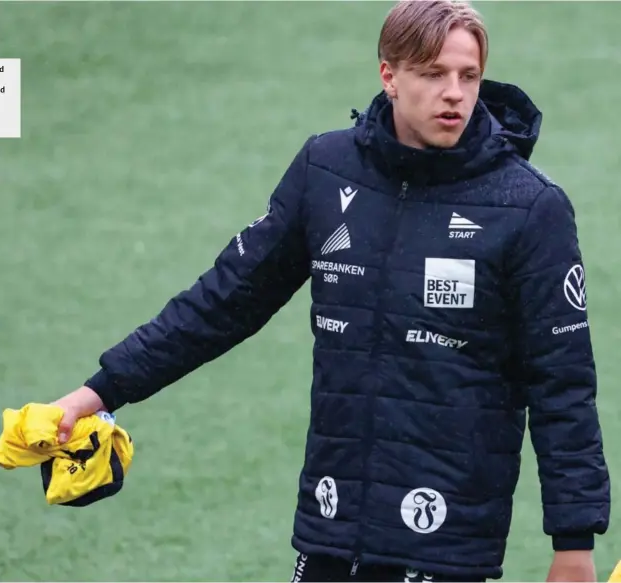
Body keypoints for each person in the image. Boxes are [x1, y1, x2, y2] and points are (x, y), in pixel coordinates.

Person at [49, 1, 611, 581]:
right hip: (331, 527)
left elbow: (561, 383)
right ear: (389, 75)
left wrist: (573, 545)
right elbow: (224, 301)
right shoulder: (327, 169)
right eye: (433, 73)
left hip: (443, 545)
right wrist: (97, 394)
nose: (455, 94)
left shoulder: (527, 207)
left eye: (468, 76)